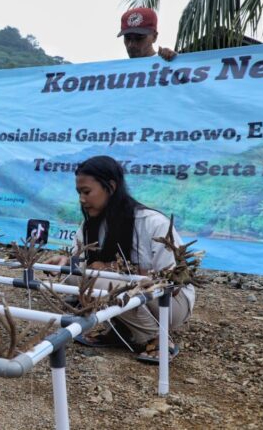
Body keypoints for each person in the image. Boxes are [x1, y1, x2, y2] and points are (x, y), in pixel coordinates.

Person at [47, 155, 195, 364]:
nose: (82, 199)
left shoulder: (153, 223)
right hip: (132, 295)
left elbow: (174, 280)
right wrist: (66, 261)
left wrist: (112, 268)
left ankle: (156, 337)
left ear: (111, 187)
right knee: (75, 277)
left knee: (97, 279)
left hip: (169, 304)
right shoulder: (90, 226)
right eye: (79, 193)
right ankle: (121, 331)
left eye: (87, 192)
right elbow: (80, 262)